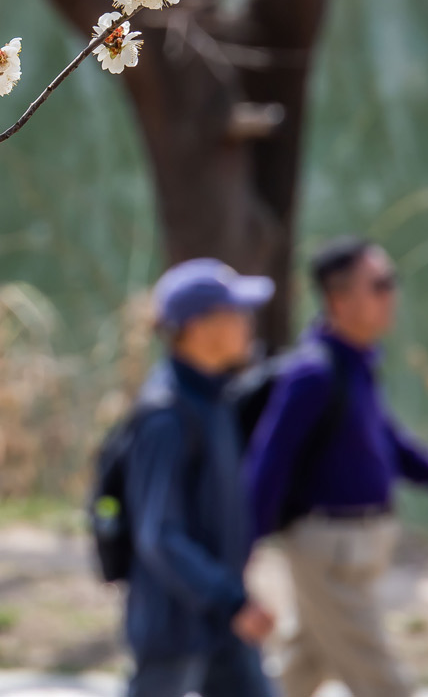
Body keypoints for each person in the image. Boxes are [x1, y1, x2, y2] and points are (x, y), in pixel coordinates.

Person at [242, 237, 428, 697]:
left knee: (300, 670)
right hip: (327, 554)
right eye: (379, 285)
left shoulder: (355, 363)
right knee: (383, 683)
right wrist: (241, 551)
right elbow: (269, 463)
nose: (391, 295)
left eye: (391, 283)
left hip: (361, 548)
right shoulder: (313, 374)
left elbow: (386, 439)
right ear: (340, 301)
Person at [122, 259, 281, 697]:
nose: (249, 324)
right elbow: (160, 535)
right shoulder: (166, 415)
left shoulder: (213, 399)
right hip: (176, 628)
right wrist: (230, 599)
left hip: (220, 626)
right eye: (237, 314)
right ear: (200, 327)